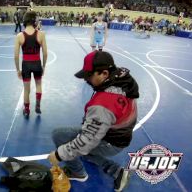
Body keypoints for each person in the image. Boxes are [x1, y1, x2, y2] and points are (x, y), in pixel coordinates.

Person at [48, 51, 139, 192]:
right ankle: (118, 171)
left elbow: (87, 141)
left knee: (59, 136)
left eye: (89, 75)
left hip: (110, 140)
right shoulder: (122, 79)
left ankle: (78, 173)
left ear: (104, 74)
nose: (86, 80)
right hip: (119, 135)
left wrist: (59, 155)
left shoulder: (103, 105)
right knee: (84, 151)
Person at [14, 11, 48, 117]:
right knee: (38, 85)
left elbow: (16, 56)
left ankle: (27, 110)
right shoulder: (41, 34)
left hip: (26, 65)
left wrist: (18, 70)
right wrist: (43, 66)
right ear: (35, 21)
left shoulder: (20, 35)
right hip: (37, 63)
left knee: (26, 90)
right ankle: (37, 106)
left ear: (24, 21)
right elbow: (45, 53)